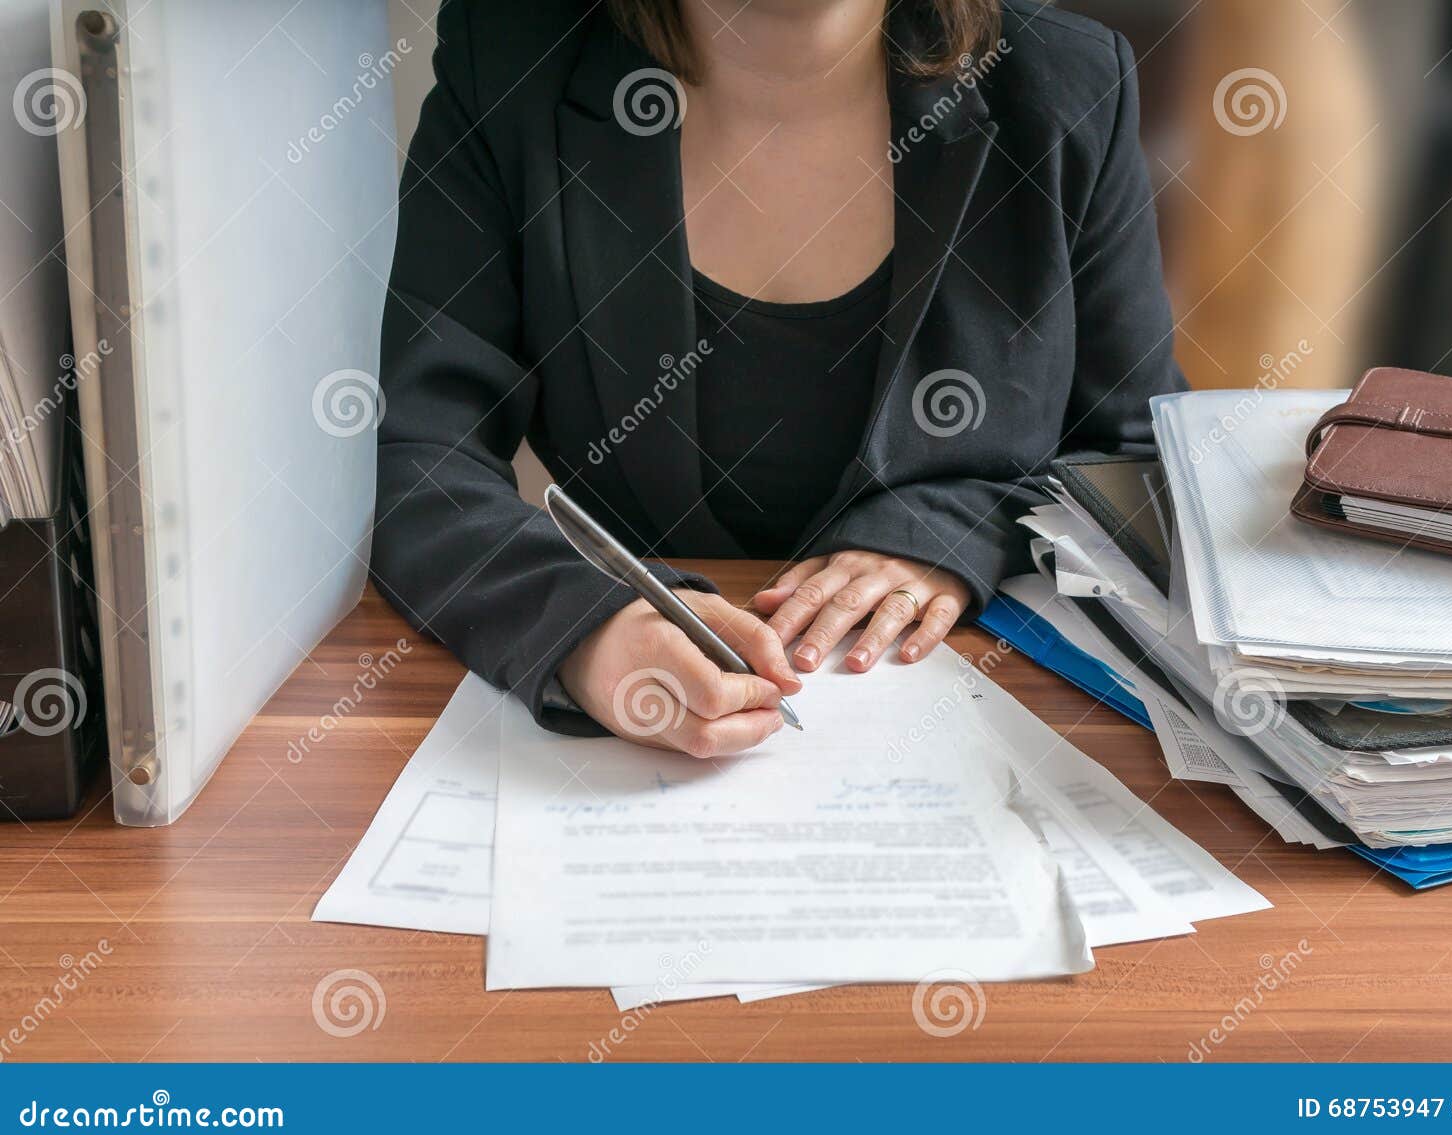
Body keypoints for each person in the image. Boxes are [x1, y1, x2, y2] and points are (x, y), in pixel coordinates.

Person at [372, 0, 1185, 758]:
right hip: (630, 765)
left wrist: (957, 530)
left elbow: (1137, 462)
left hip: (960, 741)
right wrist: (582, 625)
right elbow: (415, 457)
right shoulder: (509, 54)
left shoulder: (1066, 83)